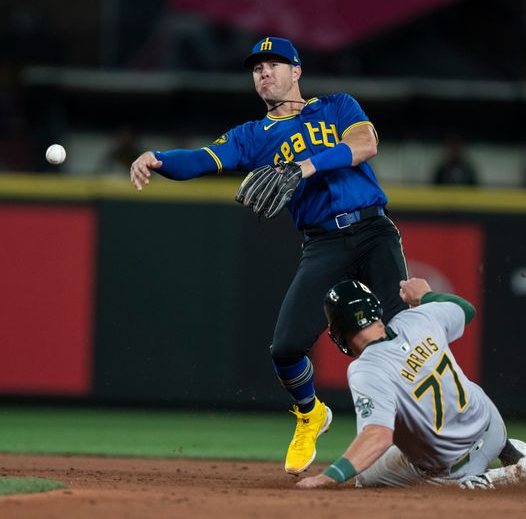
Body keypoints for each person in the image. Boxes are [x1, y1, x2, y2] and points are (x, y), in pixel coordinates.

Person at [129, 37, 409, 475]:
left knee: (405, 333)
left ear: (296, 71)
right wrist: (159, 159)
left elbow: (365, 145)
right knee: (285, 348)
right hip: (323, 243)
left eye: (273, 64)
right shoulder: (251, 137)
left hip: (374, 229)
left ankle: (432, 428)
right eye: (256, 68)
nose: (263, 73)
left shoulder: (336, 106)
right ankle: (310, 414)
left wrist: (305, 166)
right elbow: (202, 159)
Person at [296, 277, 526, 489]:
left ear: (337, 330)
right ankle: (509, 452)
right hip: (492, 426)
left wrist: (329, 478)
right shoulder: (418, 318)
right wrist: (426, 295)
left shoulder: (366, 369)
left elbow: (378, 436)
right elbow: (465, 309)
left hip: (452, 467)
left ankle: (486, 480)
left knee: (365, 475)